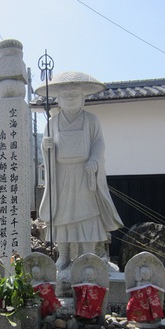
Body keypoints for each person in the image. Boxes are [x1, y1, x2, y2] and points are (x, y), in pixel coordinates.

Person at [36, 72, 123, 270]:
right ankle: (64, 256)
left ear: (83, 97)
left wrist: (94, 159)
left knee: (88, 214)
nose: (69, 98)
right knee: (62, 215)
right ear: (58, 99)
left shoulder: (92, 120)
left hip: (84, 174)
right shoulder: (53, 122)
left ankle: (89, 255)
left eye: (74, 94)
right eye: (65, 95)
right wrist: (46, 147)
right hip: (61, 175)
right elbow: (46, 145)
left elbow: (99, 143)